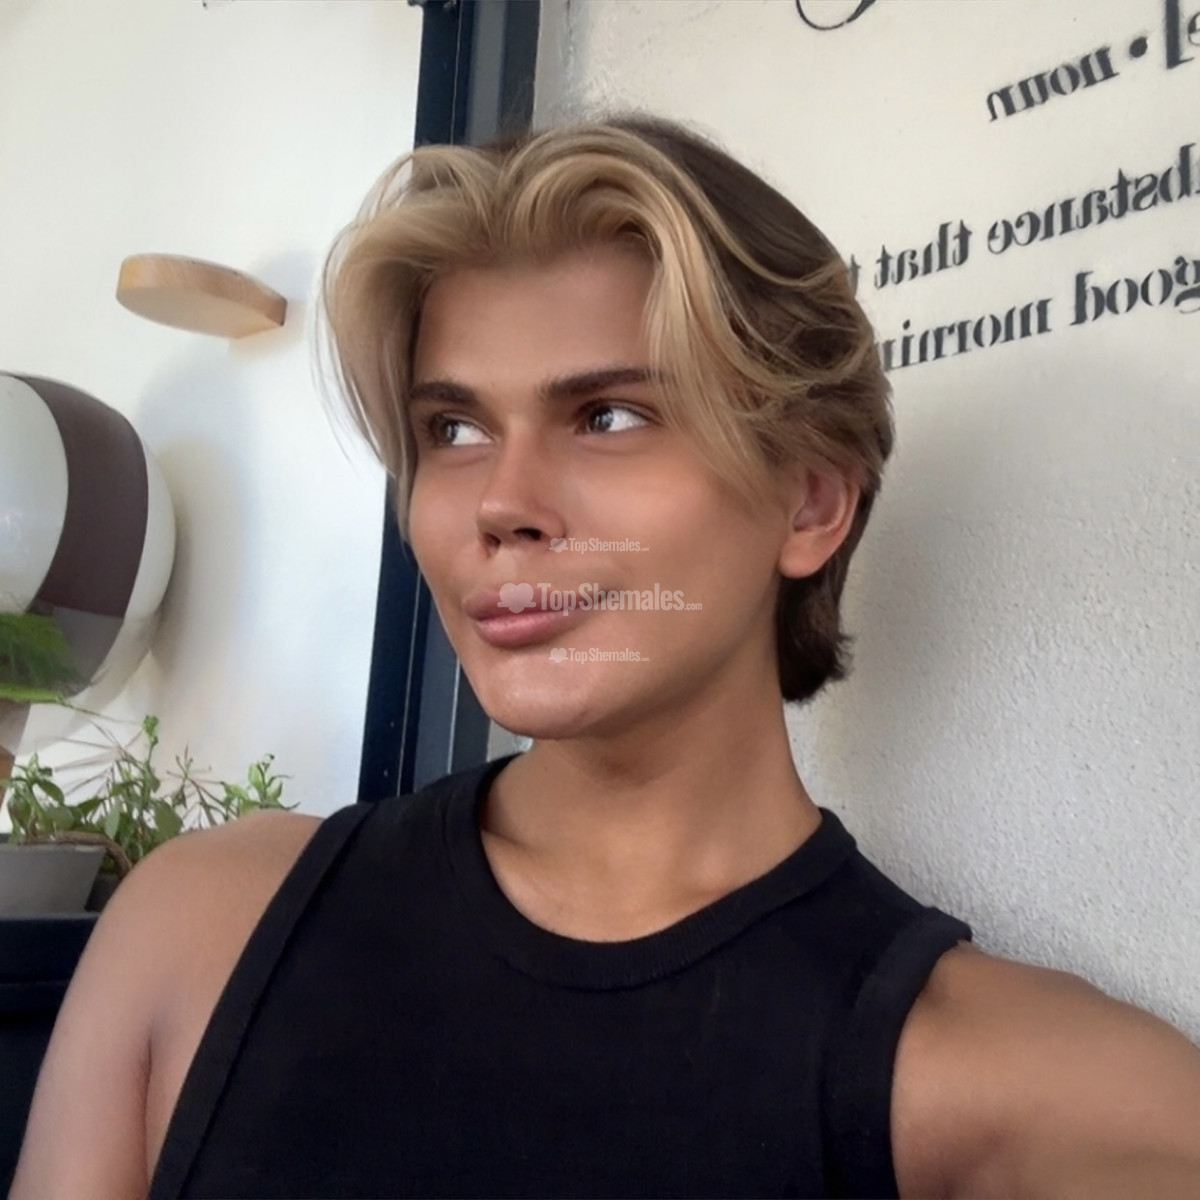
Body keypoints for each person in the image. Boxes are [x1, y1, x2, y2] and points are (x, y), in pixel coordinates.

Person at [12, 116, 1200, 1199]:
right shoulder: (201, 930)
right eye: (453, 429)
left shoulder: (1034, 1095)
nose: (501, 503)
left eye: (609, 416)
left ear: (809, 502)